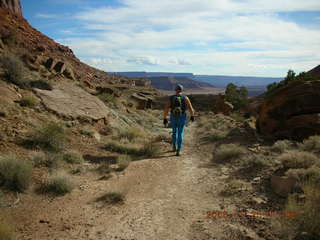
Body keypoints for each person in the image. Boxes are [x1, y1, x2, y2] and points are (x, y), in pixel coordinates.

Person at [163, 84, 195, 156]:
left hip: (173, 116)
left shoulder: (171, 98)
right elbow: (191, 108)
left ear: (175, 90)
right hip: (182, 117)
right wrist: (192, 116)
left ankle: (174, 146)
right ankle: (178, 150)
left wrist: (165, 118)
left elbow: (166, 109)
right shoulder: (185, 98)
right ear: (182, 90)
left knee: (174, 132)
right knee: (180, 133)